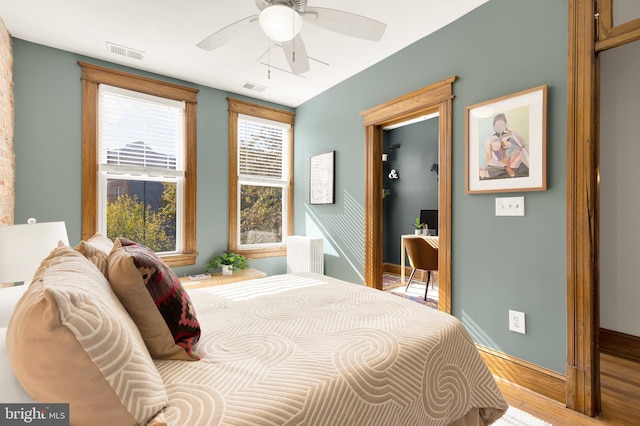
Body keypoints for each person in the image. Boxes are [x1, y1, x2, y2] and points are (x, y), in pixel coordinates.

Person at [479, 113, 529, 179]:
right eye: (498, 124)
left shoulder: (508, 136)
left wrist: (512, 133)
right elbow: (489, 160)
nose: (500, 126)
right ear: (494, 126)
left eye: (502, 124)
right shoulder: (489, 140)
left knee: (521, 150)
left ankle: (535, 170)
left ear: (505, 125)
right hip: (498, 164)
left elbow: (522, 144)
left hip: (509, 163)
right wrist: (505, 166)